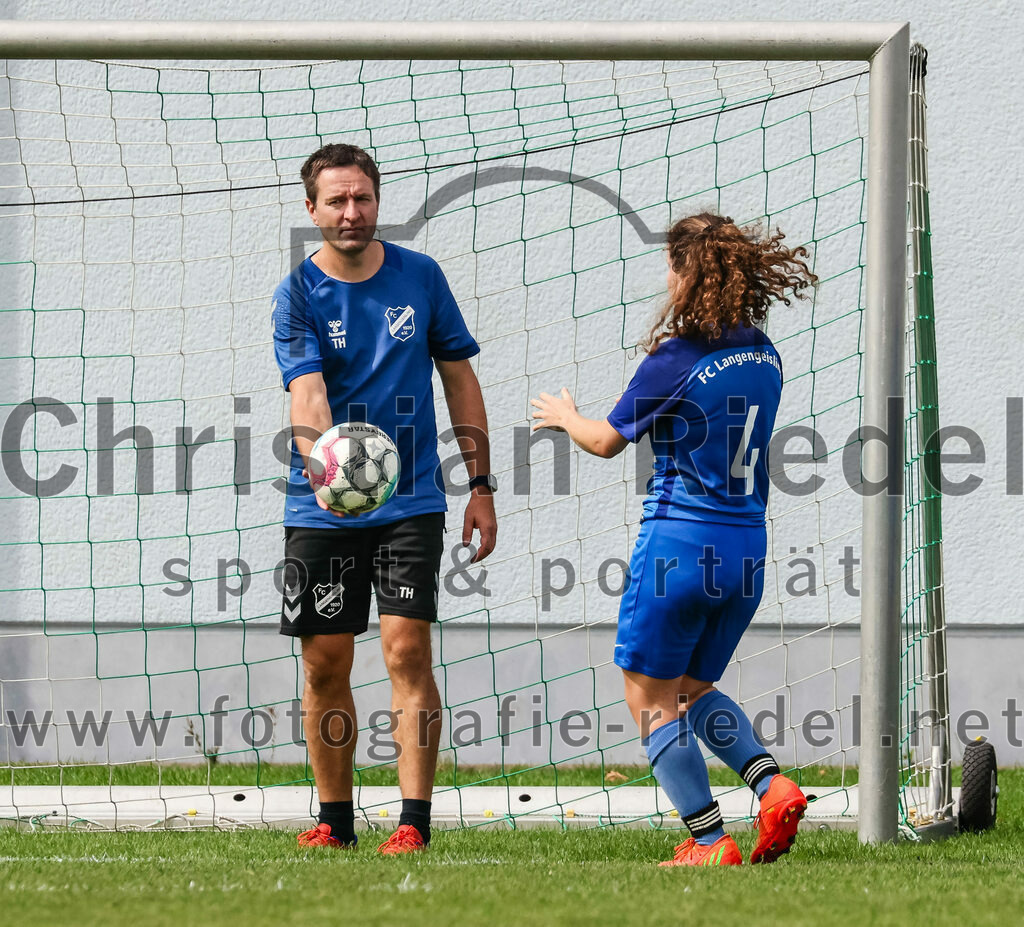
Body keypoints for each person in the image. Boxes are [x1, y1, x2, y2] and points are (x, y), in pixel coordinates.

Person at [531, 213, 817, 867]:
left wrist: (566, 416)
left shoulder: (676, 357)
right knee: (690, 688)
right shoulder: (764, 354)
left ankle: (709, 838)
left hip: (679, 547)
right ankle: (774, 787)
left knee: (647, 692)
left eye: (671, 264)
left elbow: (606, 442)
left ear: (688, 271)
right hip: (747, 548)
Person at [271, 143, 497, 855]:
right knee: (325, 662)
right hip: (323, 506)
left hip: (412, 502)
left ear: (377, 201)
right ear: (312, 210)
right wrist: (320, 466)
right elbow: (306, 394)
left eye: (362, 197)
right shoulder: (298, 294)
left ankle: (412, 822)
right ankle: (334, 821)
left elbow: (460, 381)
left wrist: (481, 484)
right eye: (336, 200)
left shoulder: (421, 277)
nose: (351, 211)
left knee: (406, 650)